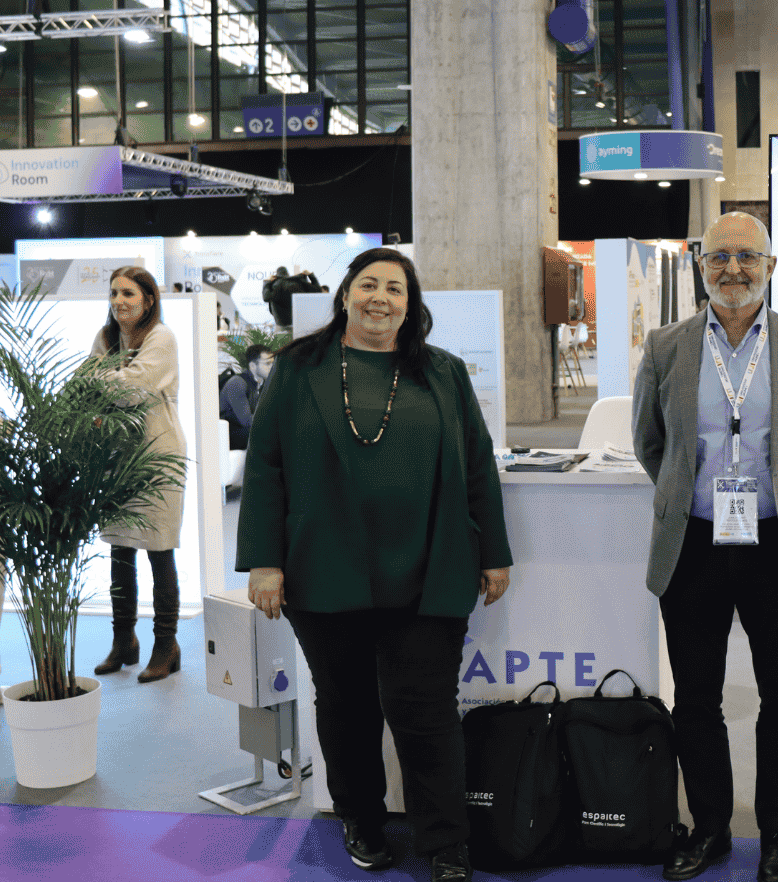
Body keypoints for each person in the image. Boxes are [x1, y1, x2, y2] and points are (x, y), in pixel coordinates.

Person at [236, 247, 512, 882]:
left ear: (410, 305)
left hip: (428, 568)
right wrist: (264, 562)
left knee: (427, 713)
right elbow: (266, 464)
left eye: (395, 288)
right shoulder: (299, 367)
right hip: (323, 567)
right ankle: (360, 818)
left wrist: (494, 553)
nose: (380, 298)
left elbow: (477, 464)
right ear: (345, 295)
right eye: (368, 284)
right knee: (346, 707)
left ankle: (446, 843)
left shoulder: (443, 371)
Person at [632, 212, 778, 882]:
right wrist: (687, 494)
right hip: (693, 544)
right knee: (696, 700)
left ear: (770, 266)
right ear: (701, 265)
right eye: (719, 257)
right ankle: (711, 830)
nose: (733, 269)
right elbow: (649, 442)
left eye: (747, 257)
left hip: (776, 546)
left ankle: (777, 832)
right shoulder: (666, 346)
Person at [91, 267, 188, 684]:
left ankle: (166, 646)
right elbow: (84, 386)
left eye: (128, 293)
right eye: (114, 293)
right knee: (119, 550)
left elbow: (133, 390)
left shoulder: (161, 338)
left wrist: (101, 378)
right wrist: (105, 380)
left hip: (157, 456)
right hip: (116, 458)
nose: (119, 301)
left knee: (159, 551)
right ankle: (123, 641)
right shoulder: (106, 338)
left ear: (148, 300)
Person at [219, 343, 274, 450]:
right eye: (267, 363)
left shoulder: (261, 384)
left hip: (246, 432)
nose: (271, 367)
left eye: (272, 363)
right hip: (231, 434)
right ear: (252, 366)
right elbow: (247, 421)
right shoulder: (237, 383)